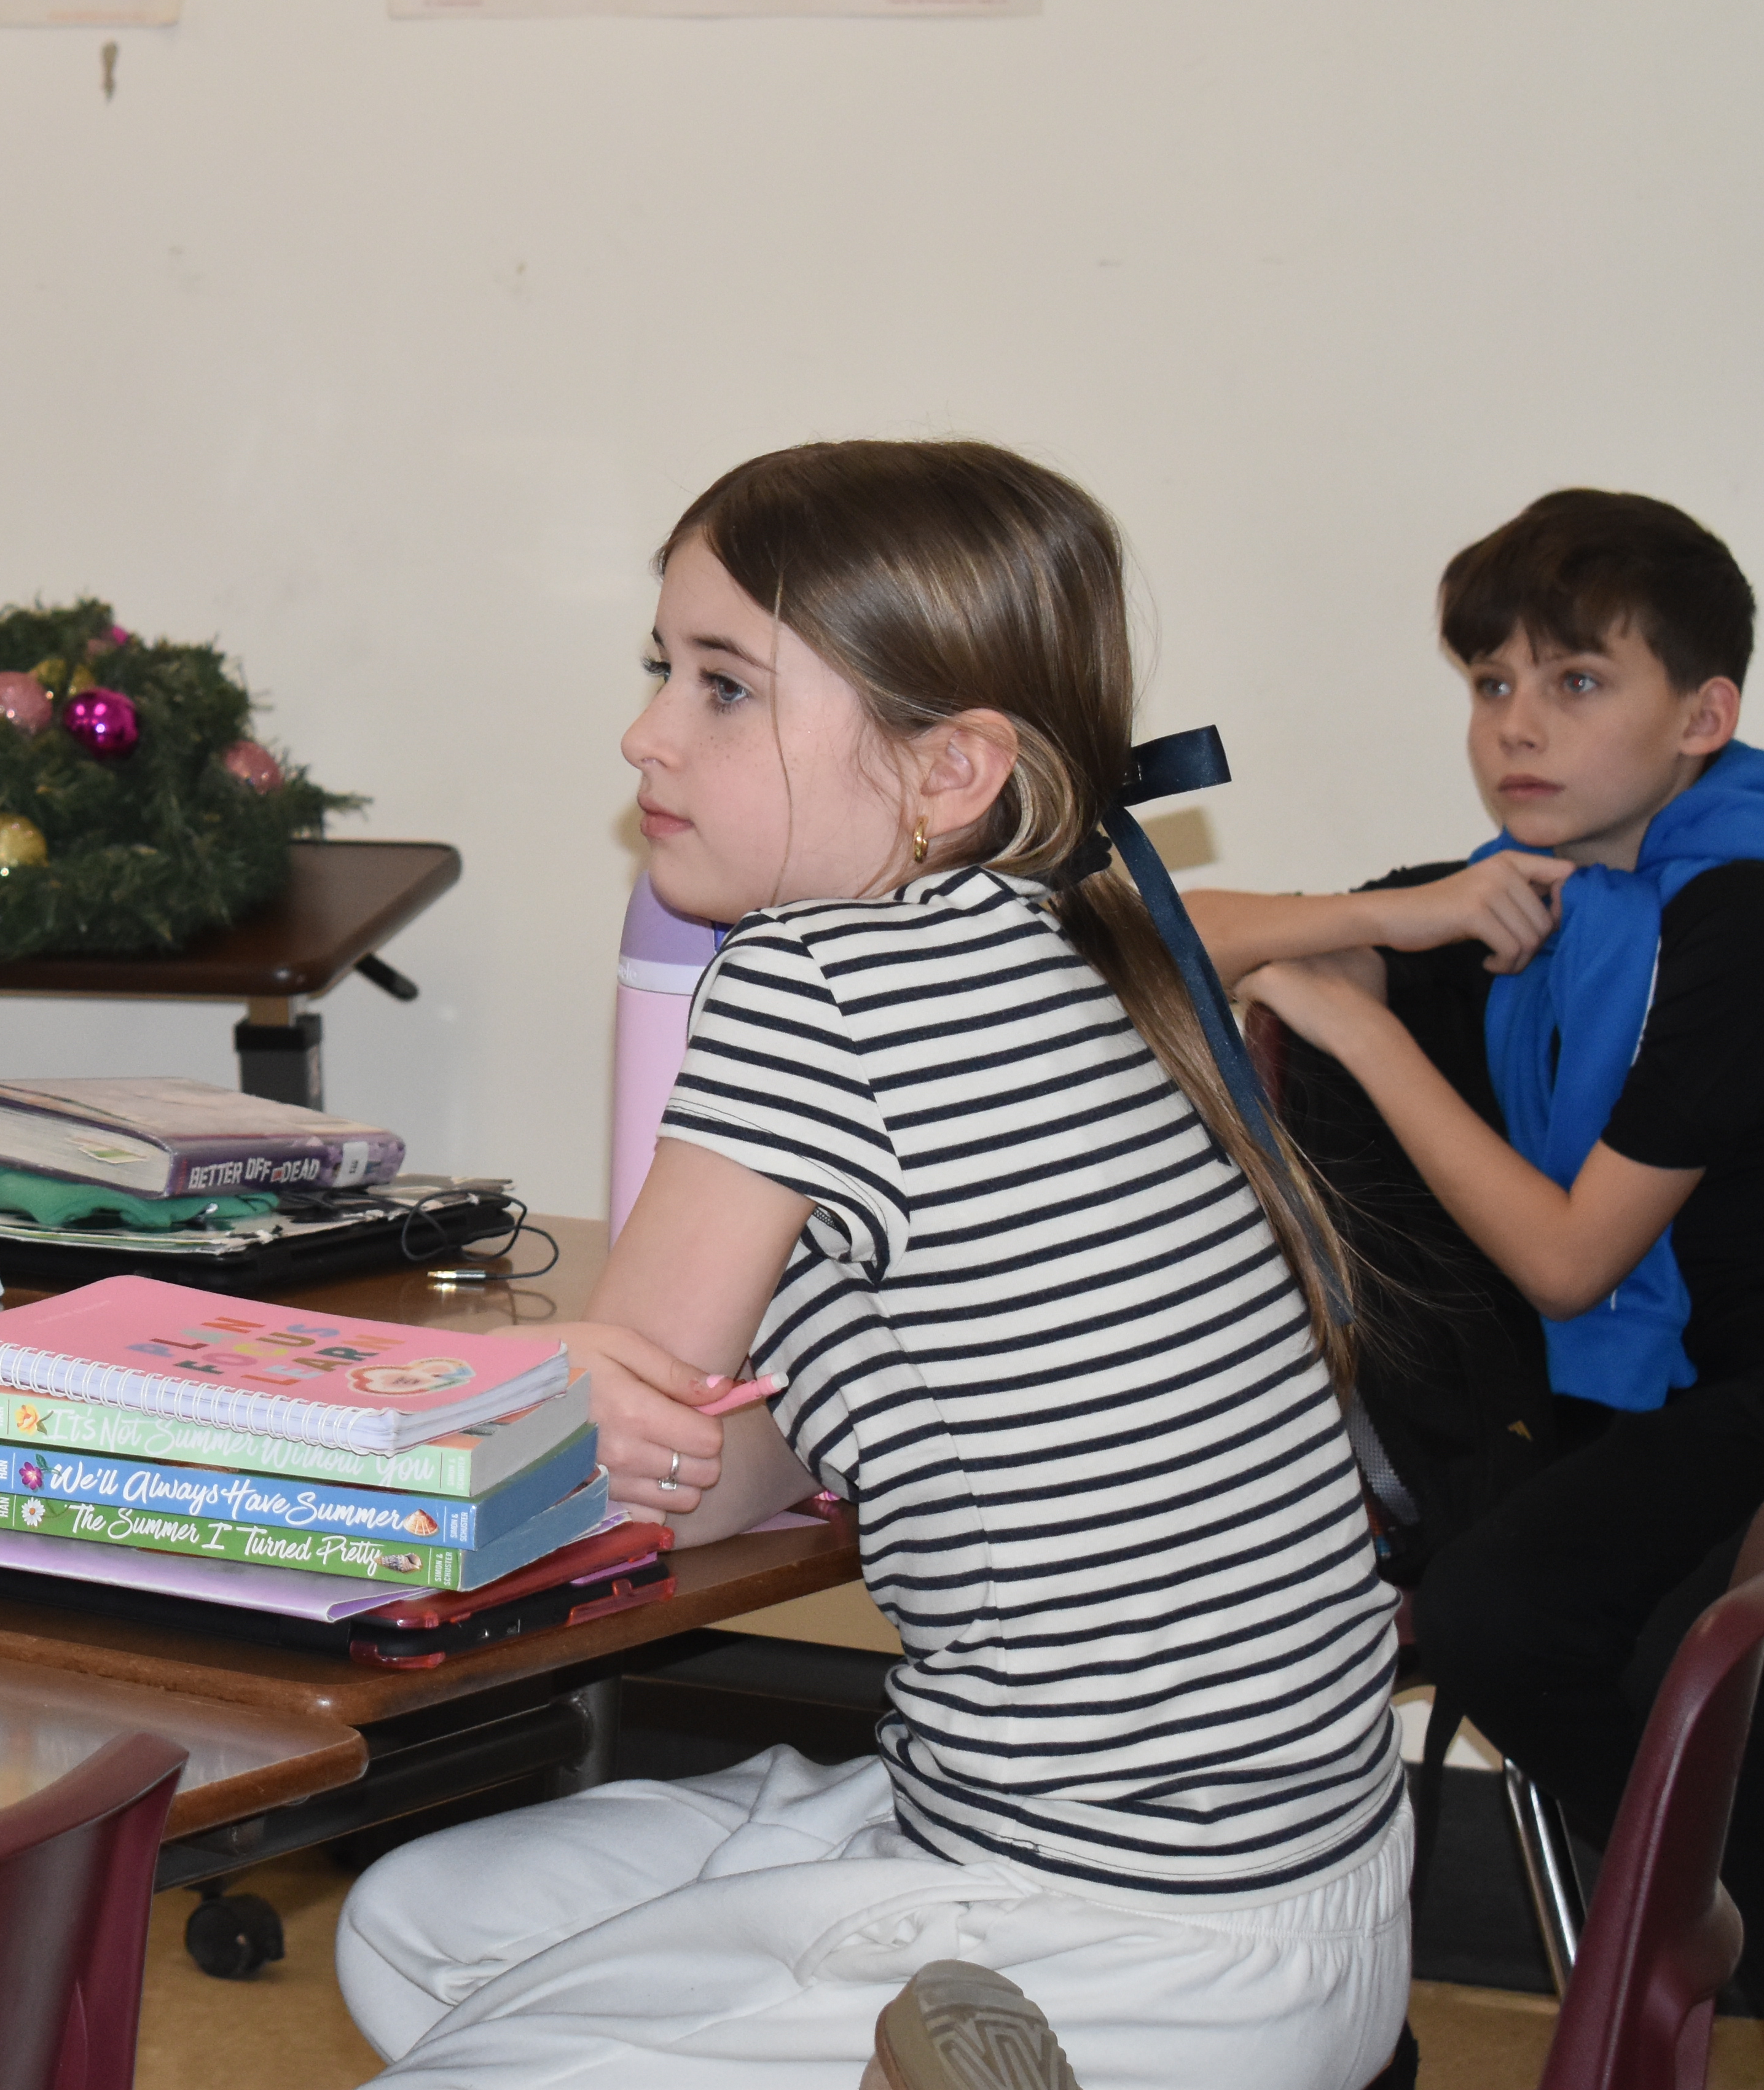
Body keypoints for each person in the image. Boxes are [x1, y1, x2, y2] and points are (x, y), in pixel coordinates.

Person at [336, 441, 1406, 2090]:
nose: (646, 733)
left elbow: (573, 1484)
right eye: (659, 672)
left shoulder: (817, 986)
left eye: (724, 688)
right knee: (424, 1922)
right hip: (1293, 1905)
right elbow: (695, 1459)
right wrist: (638, 1414)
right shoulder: (1048, 956)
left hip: (1105, 1919)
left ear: (949, 769)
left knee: (467, 2046)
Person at [1187, 490, 1763, 1909]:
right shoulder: (1536, 891)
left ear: (1703, 715)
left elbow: (1572, 1263)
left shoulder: (1739, 914)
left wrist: (1362, 1023)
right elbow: (1158, 933)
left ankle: (1707, 1915)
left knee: (1505, 1612)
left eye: (1575, 682)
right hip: (1631, 1395)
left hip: (1740, 1385)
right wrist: (1390, 919)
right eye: (1493, 682)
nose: (1515, 726)